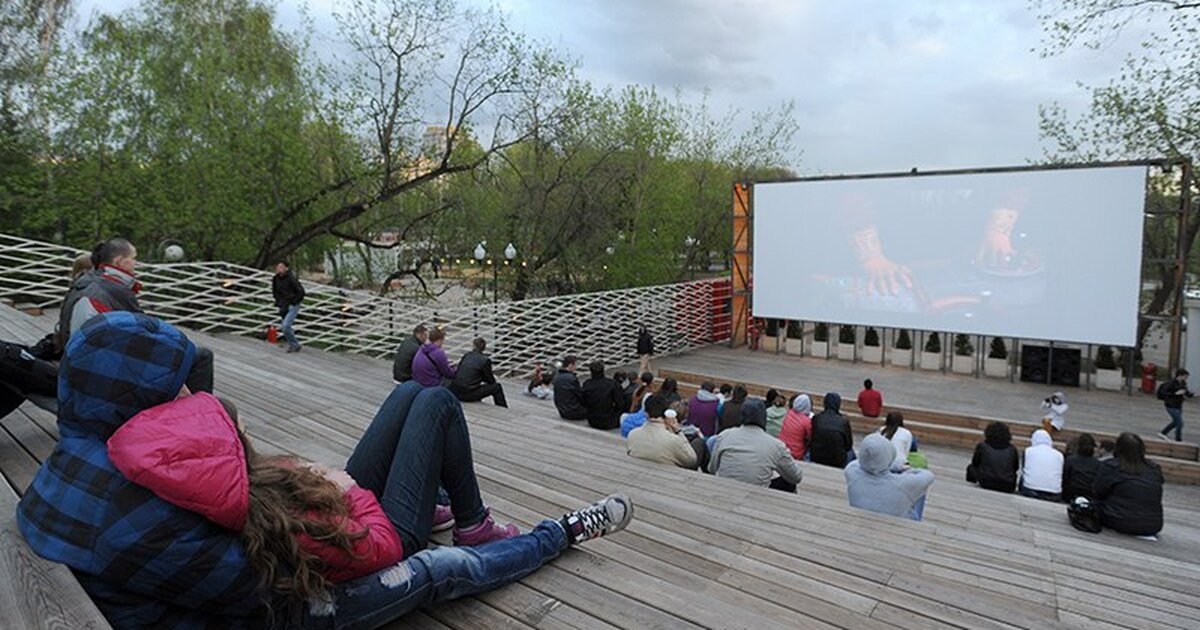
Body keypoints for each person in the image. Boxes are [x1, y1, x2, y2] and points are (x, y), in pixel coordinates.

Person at [19, 312, 635, 627]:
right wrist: (346, 497)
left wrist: (314, 486)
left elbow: (250, 518)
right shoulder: (141, 515)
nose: (188, 400)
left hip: (294, 534)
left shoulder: (93, 460)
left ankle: (456, 512)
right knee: (441, 561)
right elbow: (304, 575)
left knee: (409, 399)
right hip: (308, 597)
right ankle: (554, 531)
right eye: (175, 387)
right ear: (138, 399)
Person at [56, 237, 215, 394]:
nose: (136, 263)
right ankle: (199, 413)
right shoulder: (114, 290)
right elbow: (143, 334)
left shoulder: (88, 282)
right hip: (101, 370)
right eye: (133, 258)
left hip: (79, 361)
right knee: (200, 356)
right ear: (119, 261)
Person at [708, 400, 804, 492]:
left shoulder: (724, 435)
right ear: (764, 417)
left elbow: (712, 468)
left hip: (723, 490)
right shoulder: (776, 445)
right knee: (789, 483)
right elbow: (796, 477)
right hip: (756, 497)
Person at [845, 433, 934, 521]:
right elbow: (928, 475)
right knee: (921, 491)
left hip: (861, 520)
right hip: (898, 526)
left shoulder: (851, 472)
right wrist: (905, 469)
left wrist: (891, 465)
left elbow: (860, 462)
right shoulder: (903, 484)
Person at [1093, 432, 1163, 536]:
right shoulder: (1154, 468)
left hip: (1118, 519)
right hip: (1153, 524)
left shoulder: (1111, 466)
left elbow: (1098, 491)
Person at [627, 395, 703, 469]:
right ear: (666, 413)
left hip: (639, 472)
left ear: (646, 413)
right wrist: (678, 431)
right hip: (670, 476)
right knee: (699, 443)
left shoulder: (632, 434)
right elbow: (692, 460)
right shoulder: (674, 440)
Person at [449, 337, 507, 407]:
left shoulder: (467, 356)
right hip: (469, 393)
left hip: (456, 391)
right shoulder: (485, 360)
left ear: (473, 346)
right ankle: (502, 407)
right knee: (497, 387)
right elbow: (490, 380)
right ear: (484, 348)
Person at [966, 421, 1019, 493]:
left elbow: (975, 462)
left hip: (986, 481)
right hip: (1007, 485)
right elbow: (1015, 467)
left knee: (971, 467)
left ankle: (972, 480)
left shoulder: (983, 446)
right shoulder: (1012, 449)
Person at [810, 392, 853, 468]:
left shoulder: (816, 418)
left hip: (816, 457)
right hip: (837, 460)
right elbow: (848, 445)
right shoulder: (843, 422)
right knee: (852, 453)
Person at [271, 260, 306, 353]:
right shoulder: (275, 279)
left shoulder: (291, 278)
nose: (279, 269)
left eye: (281, 267)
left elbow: (301, 292)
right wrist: (278, 301)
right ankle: (294, 345)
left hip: (292, 304)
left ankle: (294, 344)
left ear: (286, 268)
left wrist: (294, 302)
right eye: (278, 267)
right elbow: (275, 292)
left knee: (286, 326)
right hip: (283, 305)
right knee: (285, 327)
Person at [1019, 429, 1063, 501]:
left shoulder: (1028, 451)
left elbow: (1023, 471)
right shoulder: (1059, 455)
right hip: (1054, 494)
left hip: (1030, 489)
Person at [581, 361, 624, 430]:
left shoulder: (587, 384)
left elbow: (583, 401)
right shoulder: (612, 384)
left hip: (592, 420)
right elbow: (620, 404)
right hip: (609, 421)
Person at [1062, 433, 1101, 502]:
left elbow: (1065, 478)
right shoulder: (1098, 464)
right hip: (1089, 496)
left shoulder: (1070, 460)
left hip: (1071, 494)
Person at [1158, 368, 1193, 442]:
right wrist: (1175, 394)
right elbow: (1163, 393)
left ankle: (1163, 433)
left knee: (1175, 422)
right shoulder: (1171, 383)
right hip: (1171, 405)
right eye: (1185, 376)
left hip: (1178, 405)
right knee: (1180, 423)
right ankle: (1178, 439)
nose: (1186, 378)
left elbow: (1186, 392)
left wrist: (1191, 394)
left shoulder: (1183, 383)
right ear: (1180, 375)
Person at [552, 356, 587, 421]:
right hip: (573, 412)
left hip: (562, 411)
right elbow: (579, 395)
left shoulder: (557, 376)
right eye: (575, 365)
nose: (576, 367)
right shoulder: (572, 378)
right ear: (570, 365)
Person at [779, 394, 813, 460]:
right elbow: (810, 437)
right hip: (796, 453)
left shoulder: (788, 413)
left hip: (781, 448)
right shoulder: (806, 421)